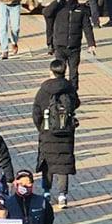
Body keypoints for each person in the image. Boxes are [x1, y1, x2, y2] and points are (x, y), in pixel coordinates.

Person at [31, 60, 79, 208]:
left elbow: (36, 112)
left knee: (47, 163)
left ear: (51, 71)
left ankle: (46, 193)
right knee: (63, 164)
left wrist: (41, 128)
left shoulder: (44, 90)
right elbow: (76, 103)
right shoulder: (69, 87)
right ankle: (62, 196)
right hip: (66, 132)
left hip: (47, 131)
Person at [43, 0, 96, 88]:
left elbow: (87, 27)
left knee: (74, 71)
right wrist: (58, 0)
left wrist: (91, 44)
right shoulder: (58, 8)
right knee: (60, 70)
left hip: (74, 47)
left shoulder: (80, 10)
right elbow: (46, 12)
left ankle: (73, 92)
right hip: (60, 45)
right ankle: (60, 91)